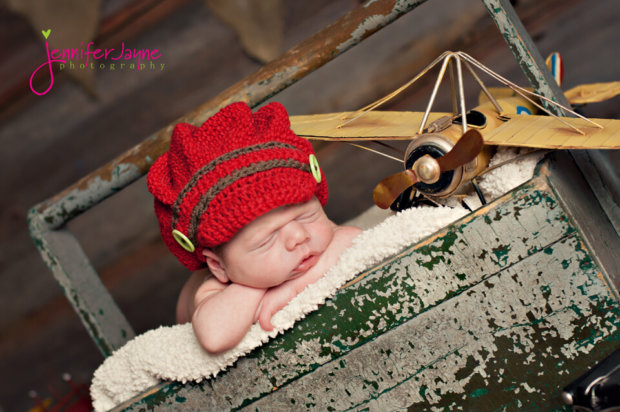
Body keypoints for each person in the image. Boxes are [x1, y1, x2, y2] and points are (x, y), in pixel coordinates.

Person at [147, 102, 361, 353]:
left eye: (306, 216)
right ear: (219, 266)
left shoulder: (307, 243)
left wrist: (289, 289)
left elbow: (354, 240)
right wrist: (253, 288)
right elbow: (214, 337)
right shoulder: (214, 286)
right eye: (266, 240)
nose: (298, 236)